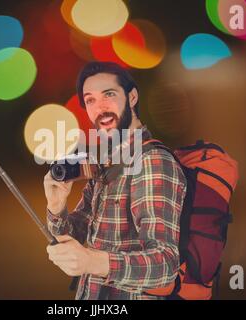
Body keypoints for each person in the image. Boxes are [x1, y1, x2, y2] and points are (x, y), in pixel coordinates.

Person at [44, 61, 187, 300]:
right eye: (90, 100)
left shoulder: (152, 161)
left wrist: (92, 261)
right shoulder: (108, 161)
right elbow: (78, 238)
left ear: (132, 97)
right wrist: (57, 206)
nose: (100, 108)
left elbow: (165, 264)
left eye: (108, 95)